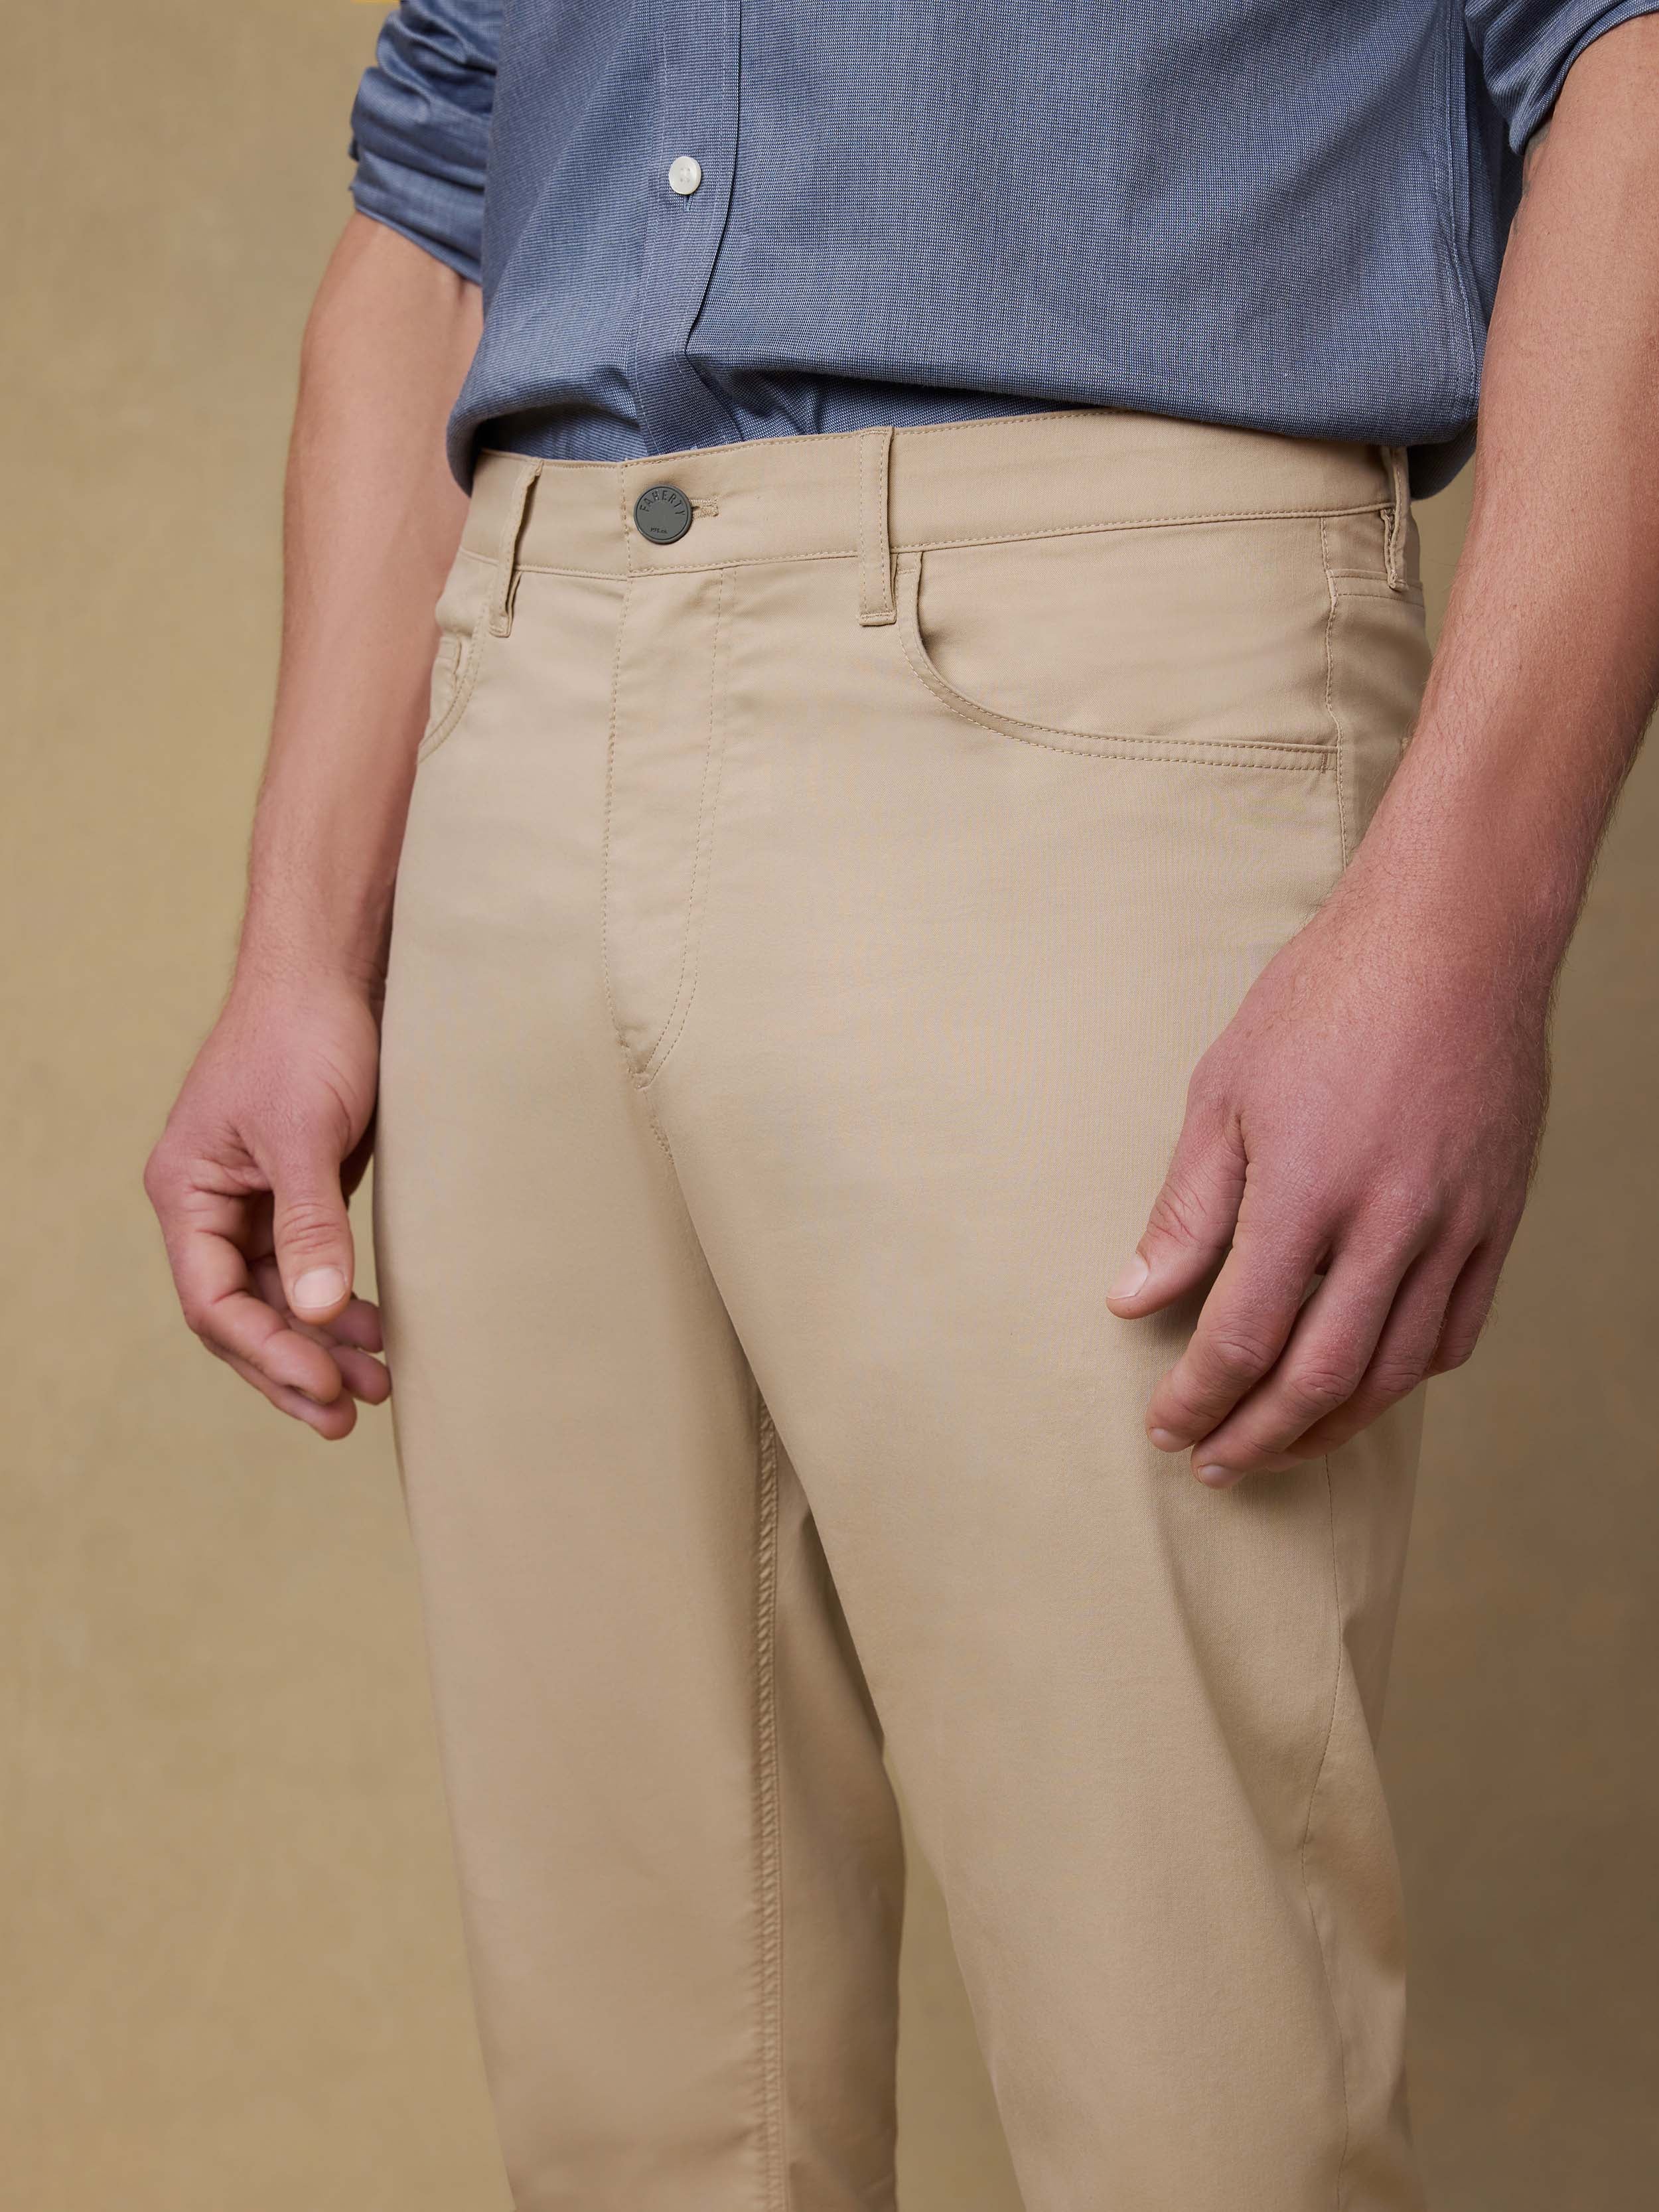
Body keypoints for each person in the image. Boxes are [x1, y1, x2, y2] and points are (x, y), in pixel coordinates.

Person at [144, 6, 1659, 2207]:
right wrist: (299, 936)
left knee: (1188, 2079)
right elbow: (436, 207)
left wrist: (1466, 907)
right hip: (527, 671)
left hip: (1096, 680)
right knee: (639, 2099)